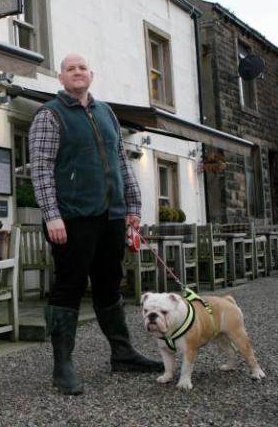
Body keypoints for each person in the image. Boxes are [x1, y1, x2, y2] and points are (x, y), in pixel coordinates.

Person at [30, 53, 163, 396]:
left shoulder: (106, 113)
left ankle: (123, 354)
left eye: (82, 68)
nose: (77, 72)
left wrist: (131, 204)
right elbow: (41, 168)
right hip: (71, 217)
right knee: (69, 286)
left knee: (109, 285)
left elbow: (121, 160)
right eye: (70, 68)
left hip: (111, 215)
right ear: (60, 78)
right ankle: (63, 367)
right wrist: (51, 214)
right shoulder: (50, 115)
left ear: (92, 74)